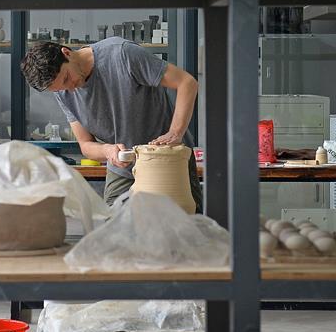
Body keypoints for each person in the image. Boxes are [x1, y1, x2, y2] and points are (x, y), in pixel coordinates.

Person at [20, 37, 202, 208]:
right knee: (114, 225)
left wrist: (175, 132)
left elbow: (187, 83)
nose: (70, 89)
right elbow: (86, 145)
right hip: (123, 165)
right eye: (60, 88)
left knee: (182, 223)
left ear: (67, 53)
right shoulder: (63, 91)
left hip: (167, 159)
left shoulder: (122, 55)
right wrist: (107, 151)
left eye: (67, 78)